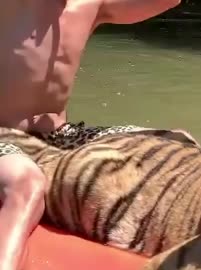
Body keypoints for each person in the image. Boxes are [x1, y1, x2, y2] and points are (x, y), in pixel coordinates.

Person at [0, 0, 184, 269]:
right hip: (4, 134)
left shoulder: (90, 5)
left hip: (61, 136)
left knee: (177, 140)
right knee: (26, 183)